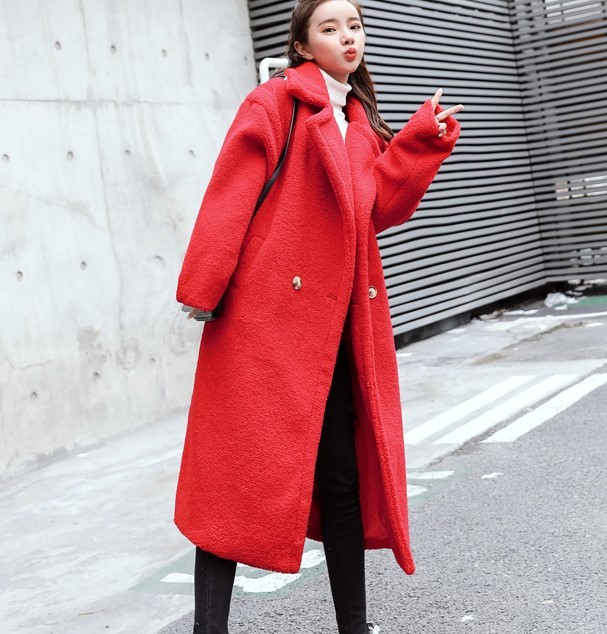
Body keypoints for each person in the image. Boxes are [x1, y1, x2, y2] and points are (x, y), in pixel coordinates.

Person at [174, 0, 464, 632]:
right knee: (233, 481)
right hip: (266, 325)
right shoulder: (274, 104)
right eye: (330, 29)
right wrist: (202, 286)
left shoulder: (358, 121)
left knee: (341, 479)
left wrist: (419, 142)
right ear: (304, 46)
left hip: (336, 332)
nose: (347, 37)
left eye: (354, 26)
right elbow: (229, 194)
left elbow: (377, 210)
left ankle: (353, 626)